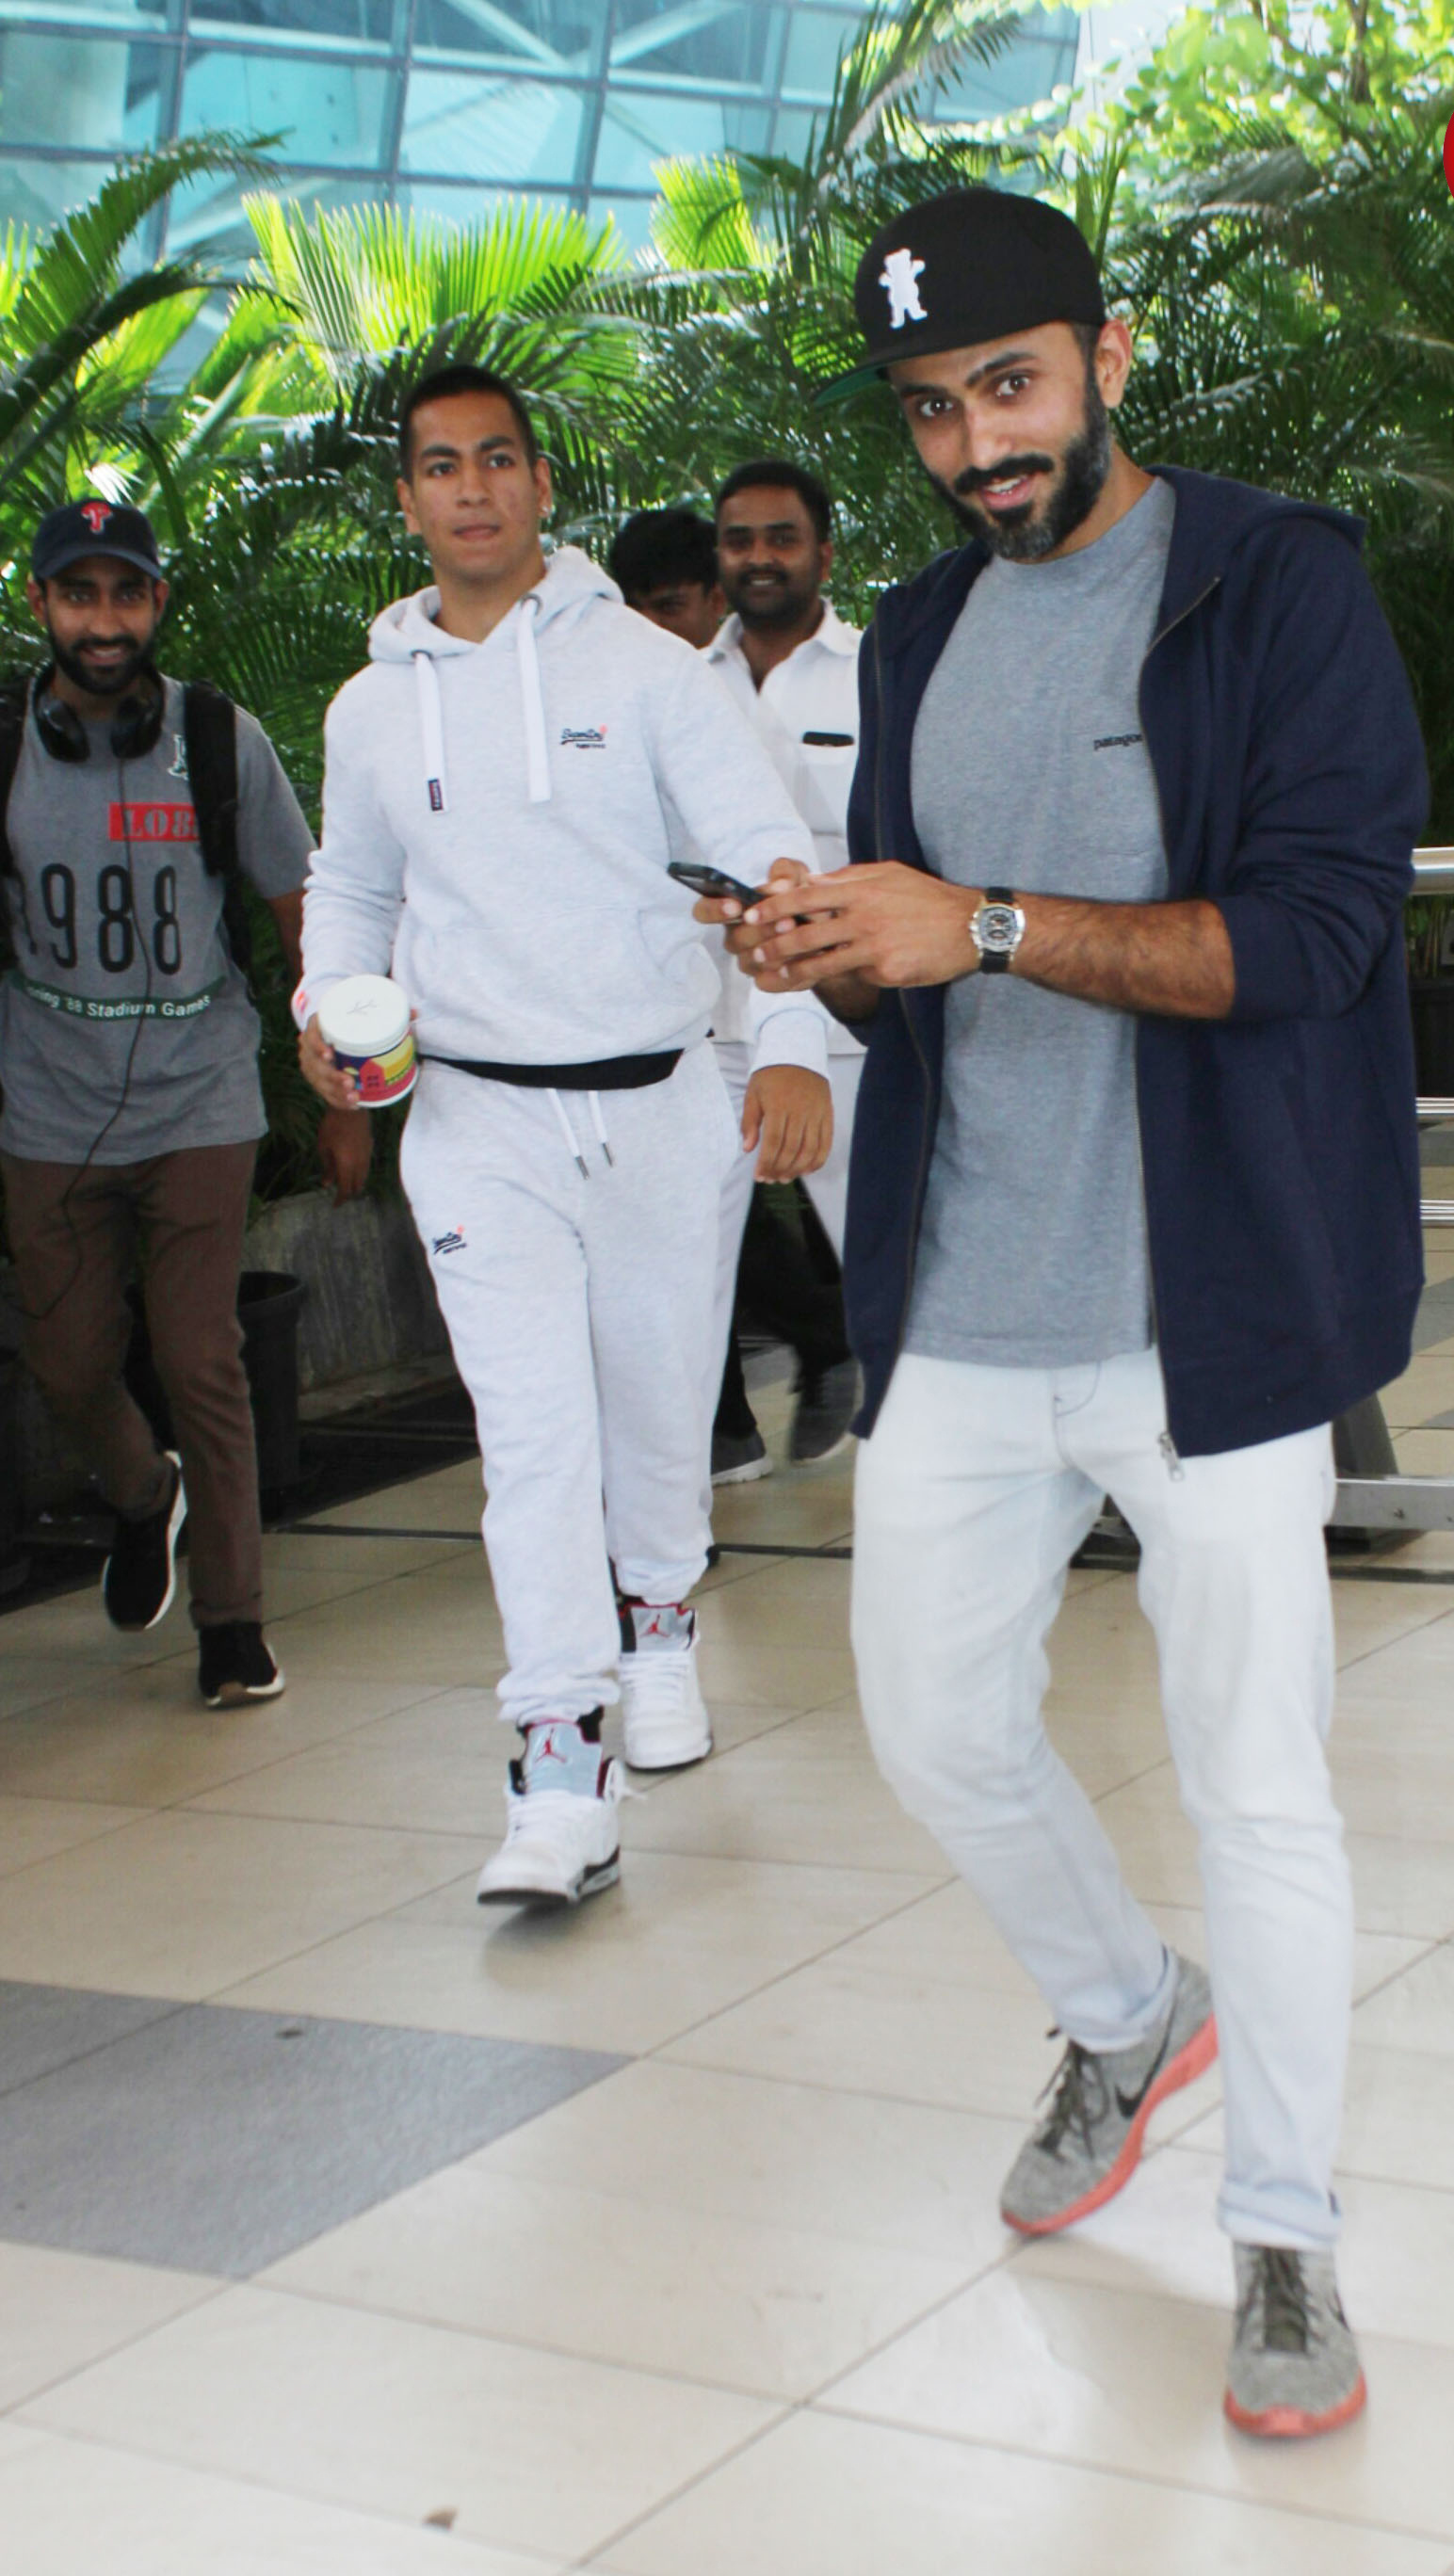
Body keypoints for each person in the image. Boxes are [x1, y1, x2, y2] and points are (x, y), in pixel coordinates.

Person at [712, 190, 1429, 2439]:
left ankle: (1287, 2229)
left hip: (1210, 1305)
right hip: (970, 1291)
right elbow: (927, 943)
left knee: (1258, 1783)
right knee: (930, 1723)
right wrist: (835, 943)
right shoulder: (919, 627)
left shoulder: (1272, 581)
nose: (975, 446)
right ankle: (1126, 2009)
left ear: (1106, 356)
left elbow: (1309, 935)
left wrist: (989, 922)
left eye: (1008, 389)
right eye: (931, 412)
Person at [299, 364, 830, 1913]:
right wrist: (329, 1013)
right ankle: (557, 1771)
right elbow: (354, 893)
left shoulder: (655, 675)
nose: (469, 488)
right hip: (472, 1118)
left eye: (496, 461)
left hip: (663, 1101)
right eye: (437, 467)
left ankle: (658, 1619)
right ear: (405, 500)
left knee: (660, 1403)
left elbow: (763, 867)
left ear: (541, 486)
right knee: (532, 1440)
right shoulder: (370, 704)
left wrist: (788, 1041)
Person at [0, 499, 364, 1706]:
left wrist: (342, 1082)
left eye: (126, 595)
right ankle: (142, 1493)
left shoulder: (216, 738)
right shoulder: (3, 742)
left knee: (201, 1352)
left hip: (202, 1095)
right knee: (64, 1359)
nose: (102, 621)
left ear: (157, 605)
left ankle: (232, 1621)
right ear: (43, 606)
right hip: (46, 1105)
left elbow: (299, 907)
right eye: (78, 595)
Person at [703, 459, 866, 1472]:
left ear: (822, 552)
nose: (758, 557)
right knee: (685, 1274)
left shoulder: (881, 671)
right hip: (707, 1031)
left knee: (891, 1269)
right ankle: (679, 1511)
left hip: (851, 1022)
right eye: (738, 539)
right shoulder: (674, 679)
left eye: (780, 537)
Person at [606, 507, 725, 650]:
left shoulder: (751, 669)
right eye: (633, 610)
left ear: (716, 601)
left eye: (668, 607)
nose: (648, 625)